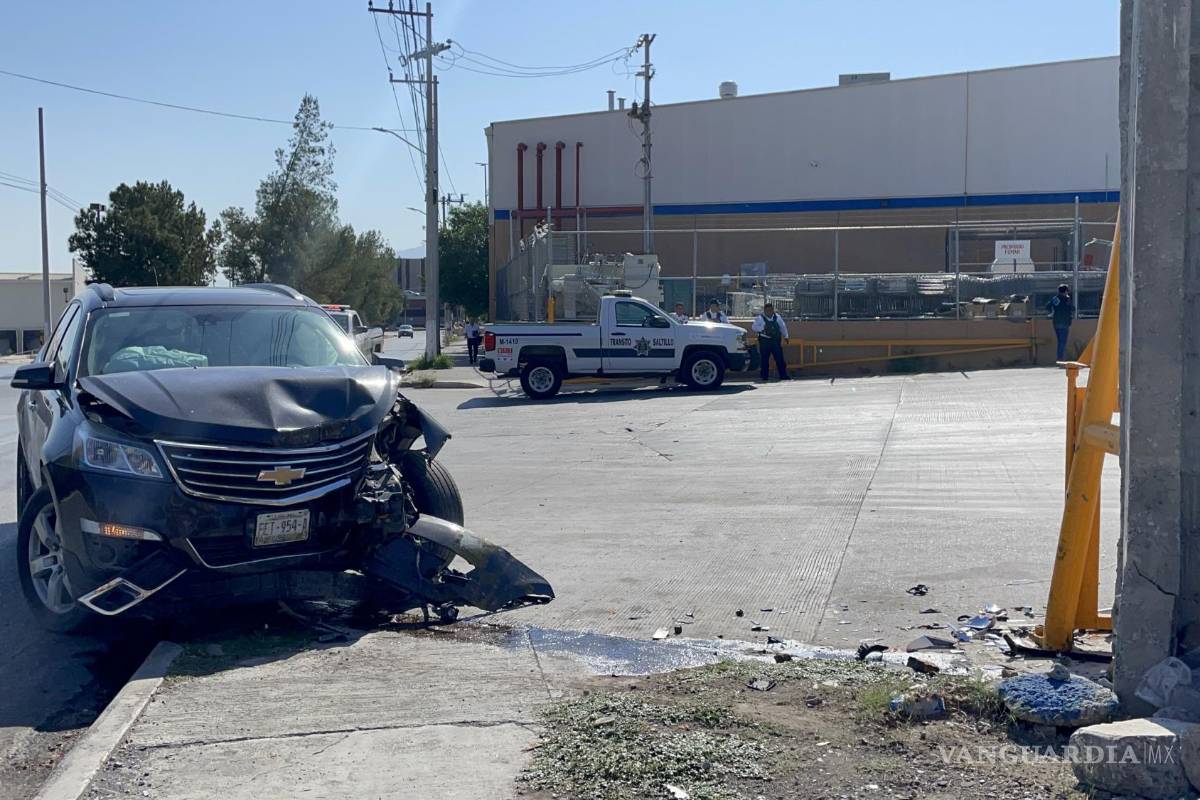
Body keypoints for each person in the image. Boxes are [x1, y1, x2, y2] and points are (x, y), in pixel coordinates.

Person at [752, 302, 789, 381]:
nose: (770, 312)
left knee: (779, 358)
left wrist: (786, 336)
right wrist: (762, 328)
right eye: (768, 310)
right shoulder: (760, 318)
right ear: (764, 311)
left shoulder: (777, 317)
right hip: (765, 341)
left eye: (771, 310)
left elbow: (783, 327)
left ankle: (783, 375)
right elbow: (754, 327)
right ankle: (764, 376)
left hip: (775, 341)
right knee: (764, 360)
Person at [1046, 284, 1074, 362]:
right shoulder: (1066, 299)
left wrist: (1052, 311)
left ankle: (1060, 358)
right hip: (1064, 322)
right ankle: (1060, 358)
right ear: (1065, 291)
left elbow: (1048, 306)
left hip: (1056, 322)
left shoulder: (1056, 298)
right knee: (1062, 342)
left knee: (1060, 341)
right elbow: (1071, 308)